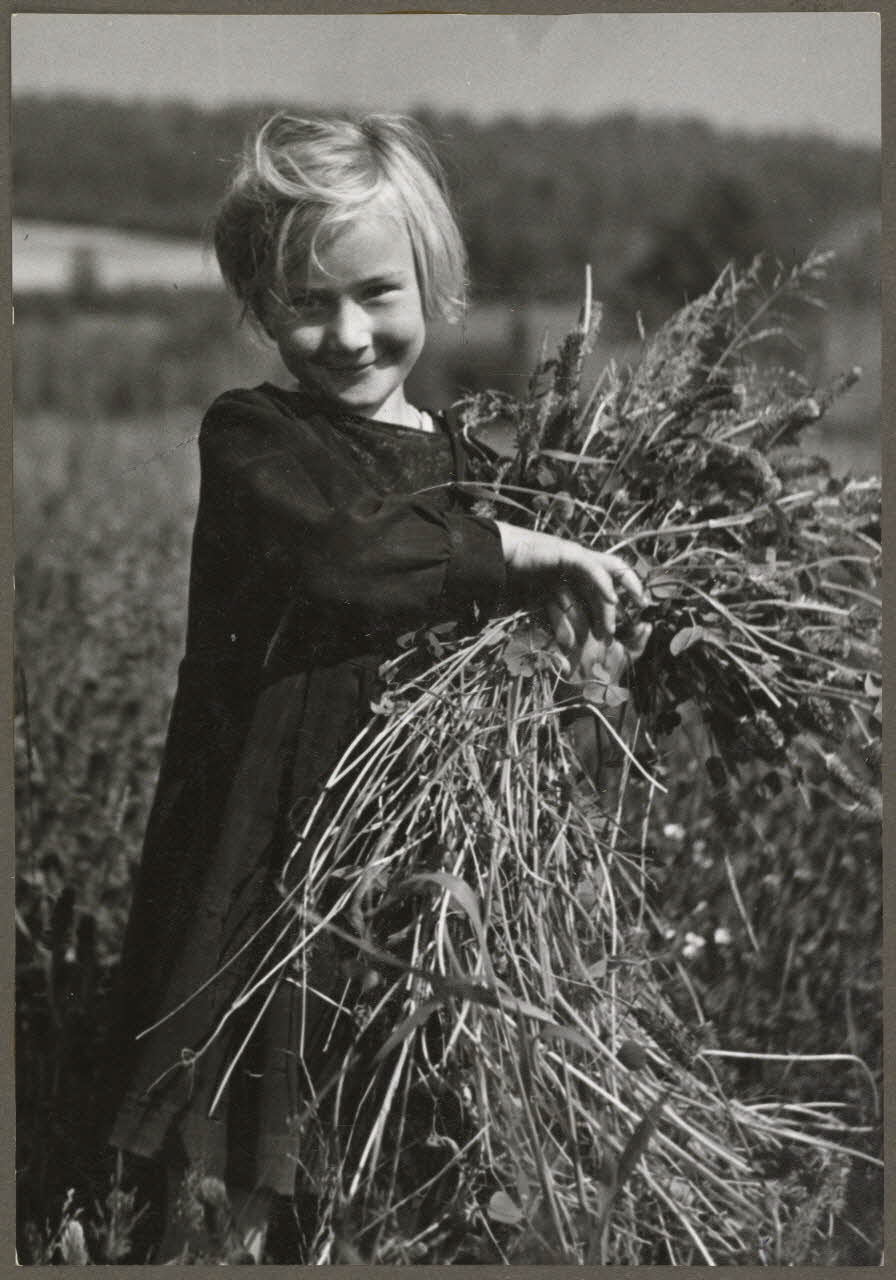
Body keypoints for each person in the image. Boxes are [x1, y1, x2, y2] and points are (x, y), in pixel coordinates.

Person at [105, 111, 647, 1262]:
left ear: (432, 283)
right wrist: (514, 553)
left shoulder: (467, 466)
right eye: (306, 302)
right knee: (233, 1154)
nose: (347, 334)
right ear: (257, 304)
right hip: (264, 863)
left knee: (383, 1142)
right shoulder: (254, 439)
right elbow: (343, 554)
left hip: (405, 871)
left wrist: (576, 637)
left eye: (375, 293)